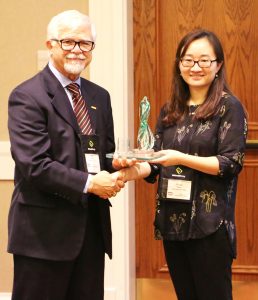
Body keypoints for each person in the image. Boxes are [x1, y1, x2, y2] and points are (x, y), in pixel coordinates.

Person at [114, 29, 247, 300]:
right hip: (173, 221)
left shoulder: (229, 107)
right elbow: (155, 164)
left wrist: (180, 158)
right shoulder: (170, 110)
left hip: (210, 225)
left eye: (204, 60)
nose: (195, 67)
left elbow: (229, 163)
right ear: (179, 65)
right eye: (187, 60)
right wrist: (128, 170)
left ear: (218, 65)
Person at [8, 10, 125, 300]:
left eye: (85, 44)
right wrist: (90, 184)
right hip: (42, 236)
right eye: (68, 42)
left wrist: (120, 163)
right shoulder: (27, 96)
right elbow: (35, 165)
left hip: (90, 233)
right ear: (50, 45)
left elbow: (102, 155)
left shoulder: (100, 97)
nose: (77, 50)